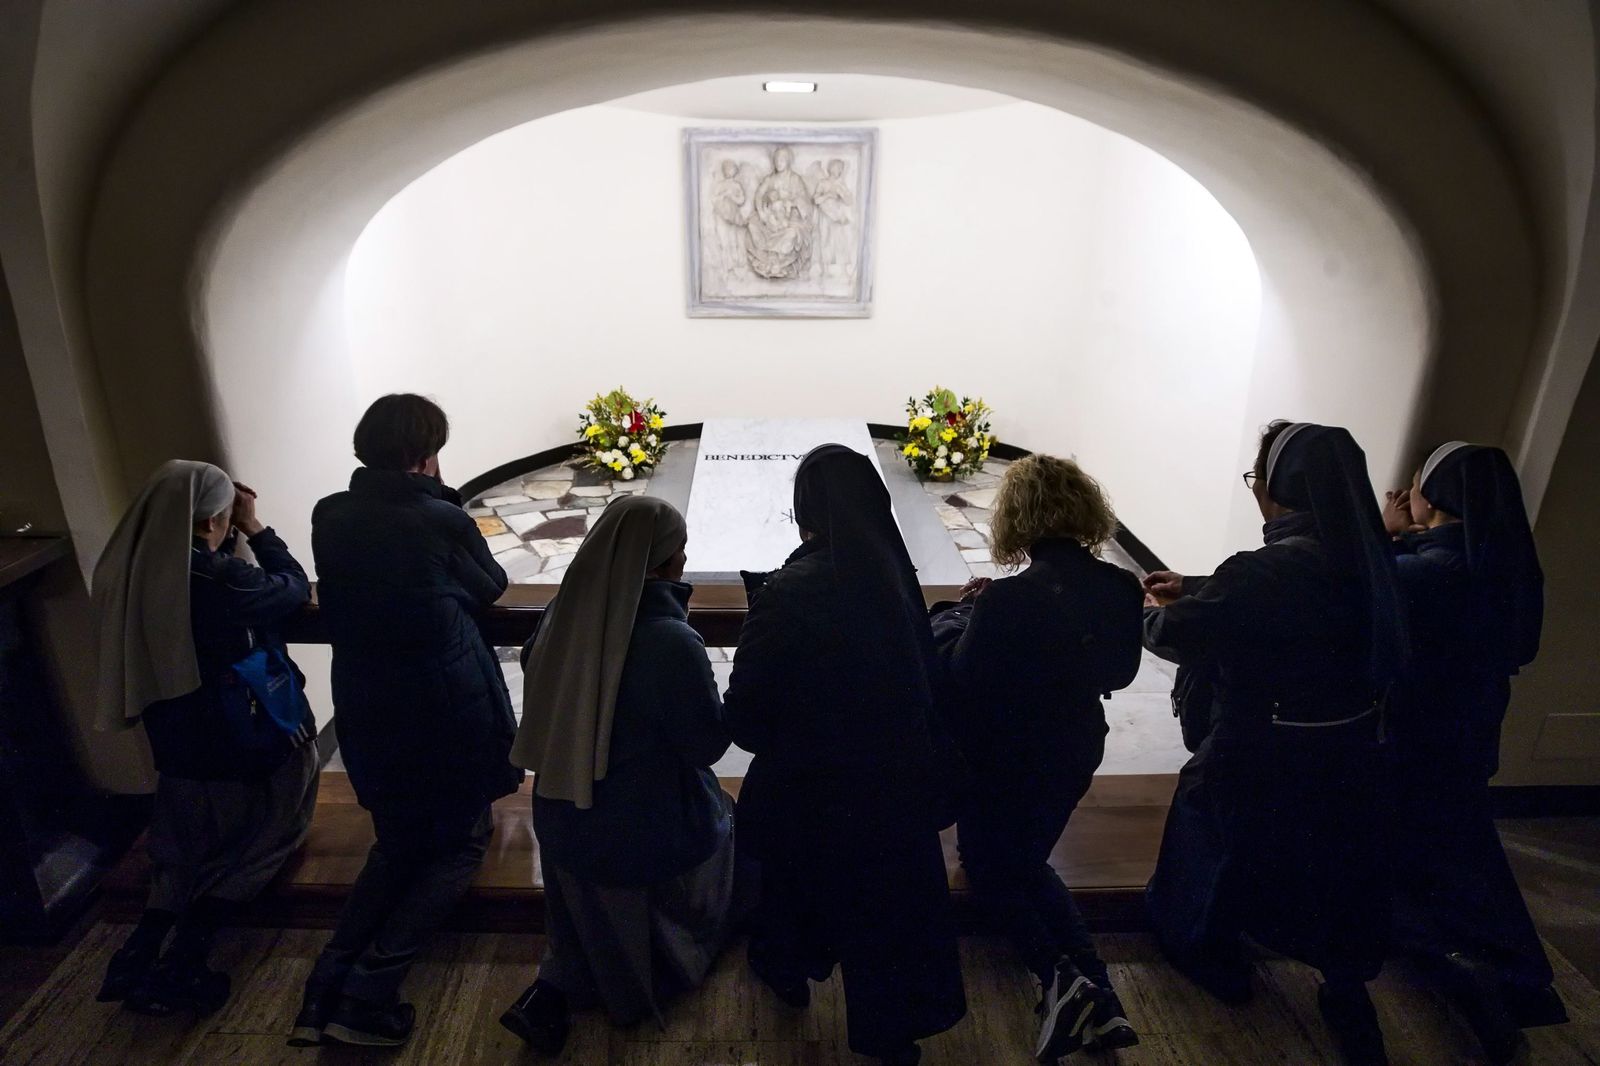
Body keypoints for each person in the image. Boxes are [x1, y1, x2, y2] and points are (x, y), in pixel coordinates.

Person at [1141, 422, 1406, 1066]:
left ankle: (1211, 959)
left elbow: (1181, 635)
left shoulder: (1261, 571)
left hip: (1262, 745)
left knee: (1215, 837)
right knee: (1333, 867)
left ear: (1279, 488)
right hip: (1350, 747)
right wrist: (1199, 585)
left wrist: (1146, 611)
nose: (1255, 489)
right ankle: (1344, 987)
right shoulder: (1370, 553)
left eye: (1256, 478)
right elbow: (1285, 595)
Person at [290, 394, 522, 1048]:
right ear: (426, 455)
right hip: (442, 708)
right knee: (462, 841)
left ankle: (322, 990)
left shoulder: (330, 514)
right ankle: (368, 994)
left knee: (397, 844)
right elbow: (492, 585)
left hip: (368, 702)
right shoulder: (440, 519)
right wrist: (443, 500)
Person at [723, 444, 966, 1066]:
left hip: (807, 795)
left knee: (787, 885)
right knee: (887, 917)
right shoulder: (895, 582)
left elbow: (746, 718)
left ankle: (787, 969)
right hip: (893, 793)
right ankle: (891, 1034)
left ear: (804, 511)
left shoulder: (786, 592)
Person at [498, 495, 739, 1054]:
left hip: (561, 812)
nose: (685, 559)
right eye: (680, 549)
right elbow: (706, 745)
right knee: (728, 821)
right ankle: (668, 963)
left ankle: (558, 986)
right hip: (641, 827)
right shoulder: (670, 640)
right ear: (662, 563)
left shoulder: (562, 615)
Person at [929, 454, 1142, 1059]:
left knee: (988, 865)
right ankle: (1101, 993)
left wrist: (962, 616)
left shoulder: (1006, 599)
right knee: (1025, 861)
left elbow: (963, 677)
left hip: (1007, 754)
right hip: (1076, 747)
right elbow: (1120, 674)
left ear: (1017, 517)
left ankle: (1059, 977)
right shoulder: (1122, 587)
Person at [92, 461, 318, 1016]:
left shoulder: (125, 566)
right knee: (266, 836)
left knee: (180, 845)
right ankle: (186, 959)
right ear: (217, 517)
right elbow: (291, 587)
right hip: (238, 729)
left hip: (172, 730)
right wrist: (256, 527)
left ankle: (138, 950)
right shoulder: (218, 577)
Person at [1381, 442, 1563, 1063]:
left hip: (1417, 732)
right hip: (1473, 725)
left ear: (1435, 496)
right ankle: (1520, 976)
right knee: (1464, 847)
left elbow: (1360, 592)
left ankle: (1477, 981)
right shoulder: (1501, 561)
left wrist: (1386, 536)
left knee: (1428, 858)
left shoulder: (1427, 571)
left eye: (1416, 484)